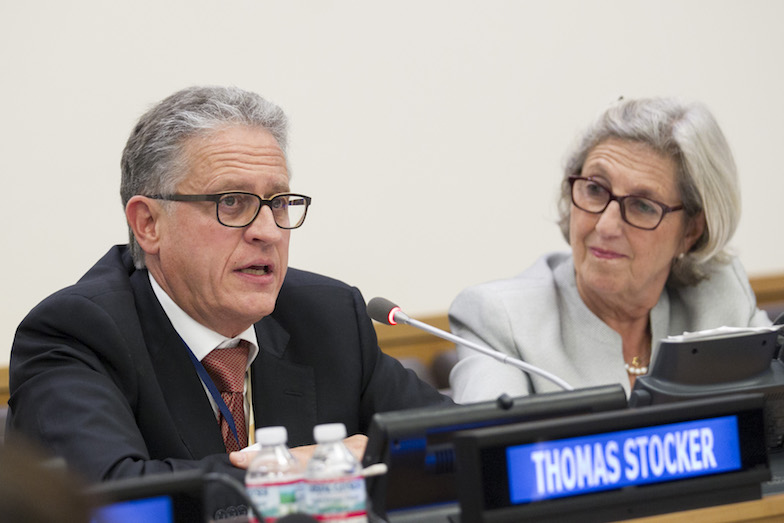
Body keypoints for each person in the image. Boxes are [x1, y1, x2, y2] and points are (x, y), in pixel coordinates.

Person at [7, 86, 451, 515]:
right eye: (232, 202)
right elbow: (111, 500)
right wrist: (309, 469)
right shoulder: (76, 333)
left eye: (278, 202)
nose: (270, 231)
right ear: (148, 224)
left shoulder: (329, 315)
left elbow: (453, 443)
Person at [448, 97, 772, 403]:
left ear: (690, 231)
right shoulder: (501, 321)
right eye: (594, 189)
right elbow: (491, 455)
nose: (605, 226)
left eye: (643, 206)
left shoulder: (720, 295)